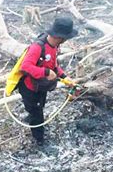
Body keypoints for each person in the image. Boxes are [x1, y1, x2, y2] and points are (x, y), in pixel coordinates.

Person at [18, 16, 78, 145]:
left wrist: (64, 77)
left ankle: (32, 115)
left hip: (41, 86)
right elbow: (25, 66)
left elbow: (53, 65)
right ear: (60, 37)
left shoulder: (55, 47)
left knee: (40, 105)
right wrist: (45, 72)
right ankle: (39, 141)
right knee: (37, 115)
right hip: (29, 88)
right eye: (66, 38)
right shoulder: (38, 47)